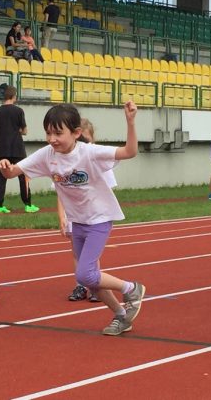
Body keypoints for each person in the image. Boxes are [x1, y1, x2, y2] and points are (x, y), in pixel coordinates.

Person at [0, 102, 146, 336]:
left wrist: (130, 121)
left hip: (99, 218)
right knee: (90, 280)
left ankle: (131, 288)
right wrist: (5, 167)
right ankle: (121, 315)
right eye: (48, 132)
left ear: (76, 133)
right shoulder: (47, 155)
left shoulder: (89, 153)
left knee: (85, 274)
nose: (52, 139)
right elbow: (14, 171)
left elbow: (129, 152)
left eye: (58, 133)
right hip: (78, 222)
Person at [61, 118, 117, 303]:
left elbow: (107, 189)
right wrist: (62, 216)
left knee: (90, 256)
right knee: (77, 253)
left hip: (94, 215)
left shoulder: (97, 159)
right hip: (74, 214)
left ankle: (96, 286)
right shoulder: (64, 162)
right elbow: (60, 192)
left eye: (87, 140)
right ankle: (81, 285)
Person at [0, 85, 40, 214]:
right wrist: (18, 130)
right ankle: (27, 204)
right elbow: (24, 131)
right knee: (23, 175)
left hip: (3, 148)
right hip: (17, 147)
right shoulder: (18, 111)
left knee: (1, 176)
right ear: (14, 96)